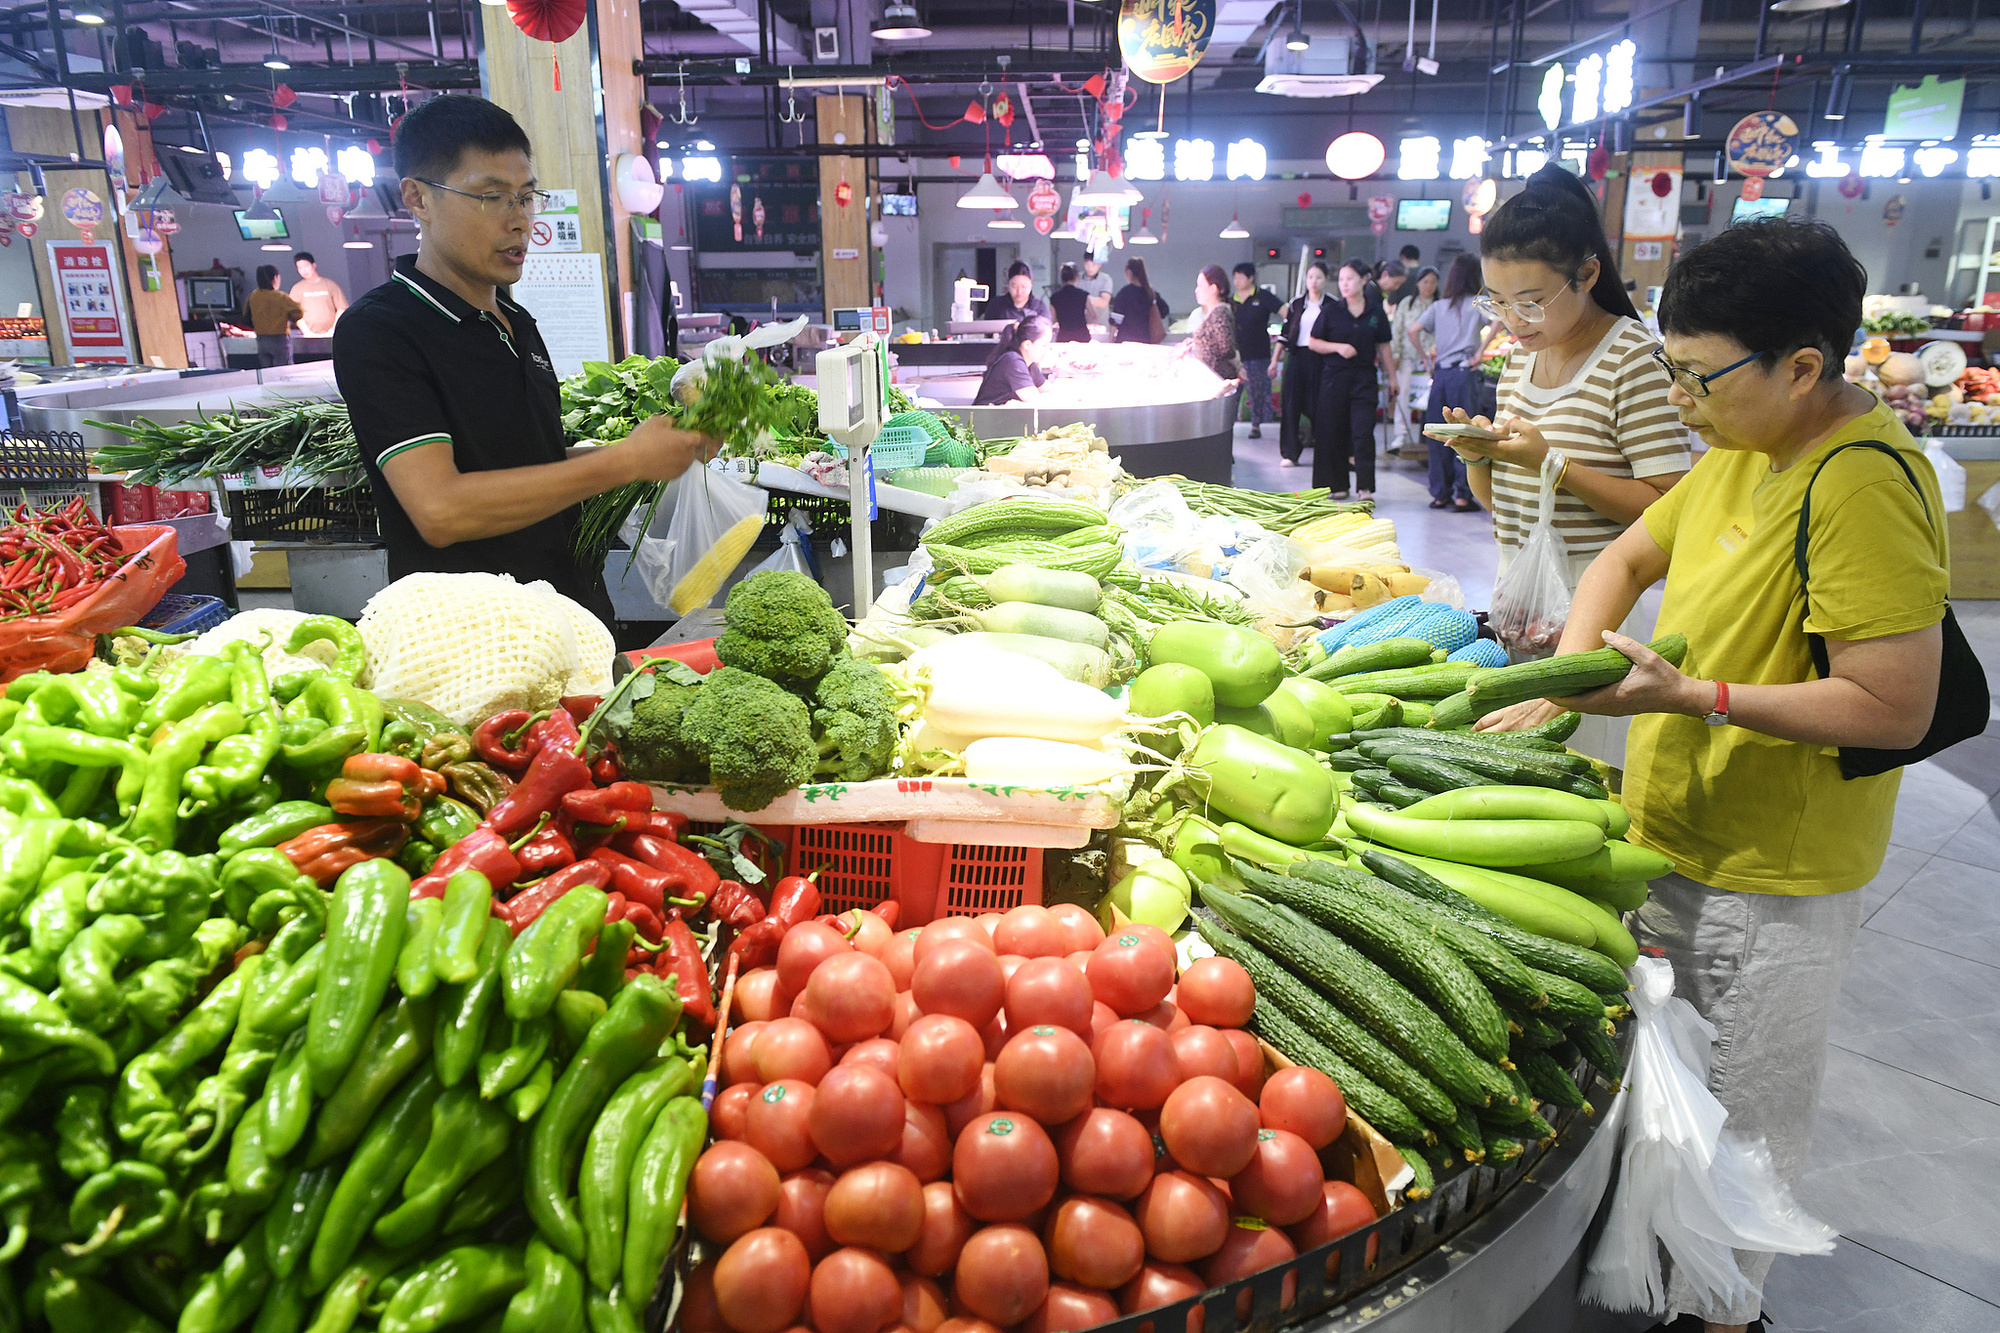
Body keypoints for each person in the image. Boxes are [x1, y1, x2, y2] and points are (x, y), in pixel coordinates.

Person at [1477, 219, 1954, 1333]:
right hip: (1676, 825)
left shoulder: (1862, 483)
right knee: (1676, 1095)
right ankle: (1665, 1282)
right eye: (1671, 371)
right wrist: (1569, 672)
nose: (1680, 401)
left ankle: (1724, 1315)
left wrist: (1695, 699)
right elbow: (1636, 552)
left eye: (1698, 376)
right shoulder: (1748, 443)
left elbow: (1895, 702)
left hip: (1769, 874)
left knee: (1741, 1125)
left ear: (1799, 366)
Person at [333, 94, 716, 614]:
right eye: (492, 197)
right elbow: (440, 509)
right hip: (471, 640)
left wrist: (650, 454)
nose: (519, 221)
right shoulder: (380, 331)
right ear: (418, 198)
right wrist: (625, 461)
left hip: (570, 613)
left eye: (526, 197)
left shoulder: (515, 323)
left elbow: (533, 465)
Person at [1429, 164, 1689, 762]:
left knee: (1587, 772)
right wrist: (1480, 457)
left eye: (1531, 302)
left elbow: (1670, 511)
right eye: (1496, 303)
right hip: (1525, 595)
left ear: (1588, 274)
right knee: (1526, 764)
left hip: (1603, 608)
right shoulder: (1521, 360)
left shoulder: (1635, 360)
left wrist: (1554, 463)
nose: (1513, 323)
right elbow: (1511, 507)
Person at [1310, 259, 1394, 499]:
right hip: (1334, 378)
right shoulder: (1331, 311)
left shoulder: (1375, 311)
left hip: (1364, 378)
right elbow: (1314, 342)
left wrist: (1393, 378)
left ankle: (1364, 486)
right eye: (1342, 280)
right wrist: (1338, 347)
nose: (1344, 284)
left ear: (1363, 280)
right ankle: (1337, 485)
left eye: (1350, 279)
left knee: (1363, 431)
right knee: (1333, 430)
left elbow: (1384, 346)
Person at [1411, 254, 1486, 512]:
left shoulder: (1439, 306)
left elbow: (1413, 330)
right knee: (1464, 434)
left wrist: (1425, 359)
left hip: (1441, 375)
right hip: (1464, 374)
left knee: (1437, 434)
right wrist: (1481, 352)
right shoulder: (1479, 303)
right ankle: (1462, 495)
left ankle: (1440, 494)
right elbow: (1500, 319)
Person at [1271, 260, 1331, 469]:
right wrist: (1274, 360)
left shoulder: (1332, 305)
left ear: (1326, 280)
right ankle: (1290, 452)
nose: (1313, 282)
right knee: (1291, 404)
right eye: (1310, 277)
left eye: (1318, 277)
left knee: (1320, 406)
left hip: (1322, 359)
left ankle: (1324, 451)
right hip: (1297, 358)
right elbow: (1285, 335)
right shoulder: (1297, 303)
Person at [1388, 264, 1438, 454]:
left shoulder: (1438, 305)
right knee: (1404, 395)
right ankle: (1401, 436)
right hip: (1408, 358)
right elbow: (1398, 330)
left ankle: (1429, 438)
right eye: (1425, 281)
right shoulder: (1407, 303)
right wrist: (1396, 355)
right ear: (1418, 283)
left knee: (1429, 400)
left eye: (1433, 282)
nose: (1429, 286)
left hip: (1431, 361)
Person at [1231, 263, 1282, 439]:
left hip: (1258, 354)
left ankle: (1256, 425)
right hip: (1236, 355)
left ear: (1251, 277)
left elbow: (1286, 311)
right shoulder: (1232, 301)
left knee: (1257, 392)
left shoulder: (1263, 297)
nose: (1236, 281)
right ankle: (1227, 426)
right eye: (1234, 277)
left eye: (1240, 277)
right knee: (1233, 393)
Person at [972, 315, 1054, 405]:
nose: (1048, 349)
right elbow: (1035, 400)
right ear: (1027, 345)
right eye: (1044, 345)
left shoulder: (1029, 363)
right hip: (984, 417)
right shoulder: (1013, 361)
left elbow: (1049, 390)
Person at [1179, 265, 1240, 380]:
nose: (1196, 290)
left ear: (1213, 288)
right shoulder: (1215, 312)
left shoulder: (1219, 312)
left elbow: (1227, 348)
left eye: (1200, 286)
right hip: (1214, 376)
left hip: (1218, 377)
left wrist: (1239, 367)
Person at [245, 266, 304, 367]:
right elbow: (298, 312)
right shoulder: (280, 296)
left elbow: (246, 316)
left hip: (261, 340)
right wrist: (289, 318)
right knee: (283, 371)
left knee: (267, 372)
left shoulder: (253, 296)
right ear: (275, 278)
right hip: (279, 340)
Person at [290, 252, 348, 337]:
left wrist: (333, 329)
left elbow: (341, 308)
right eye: (300, 268)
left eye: (306, 266)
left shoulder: (330, 285)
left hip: (332, 334)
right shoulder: (297, 288)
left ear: (313, 265)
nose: (304, 270)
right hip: (308, 336)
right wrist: (307, 332)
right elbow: (293, 312)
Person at [1110, 258, 1164, 344]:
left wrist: (1110, 341)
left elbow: (1116, 319)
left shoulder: (1124, 292)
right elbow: (1165, 310)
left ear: (1129, 272)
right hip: (1145, 340)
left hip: (1125, 340)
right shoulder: (1150, 293)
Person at [981, 260, 1051, 324]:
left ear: (1031, 285)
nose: (1019, 291)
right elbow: (987, 332)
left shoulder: (1039, 307)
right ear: (1008, 284)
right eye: (1014, 287)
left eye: (1024, 286)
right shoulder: (996, 305)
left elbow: (1047, 332)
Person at [1048, 264, 1091, 343]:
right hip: (1082, 335)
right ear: (1077, 277)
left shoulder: (1054, 297)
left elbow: (1052, 319)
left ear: (1062, 278)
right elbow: (1093, 315)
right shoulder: (1083, 295)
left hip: (1064, 335)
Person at [1076, 255, 1115, 328]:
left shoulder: (1105, 279)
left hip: (1100, 325)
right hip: (1081, 325)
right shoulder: (1077, 277)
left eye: (1093, 265)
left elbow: (1104, 302)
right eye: (1087, 265)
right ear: (1084, 263)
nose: (1090, 268)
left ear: (1099, 264)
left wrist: (1083, 299)